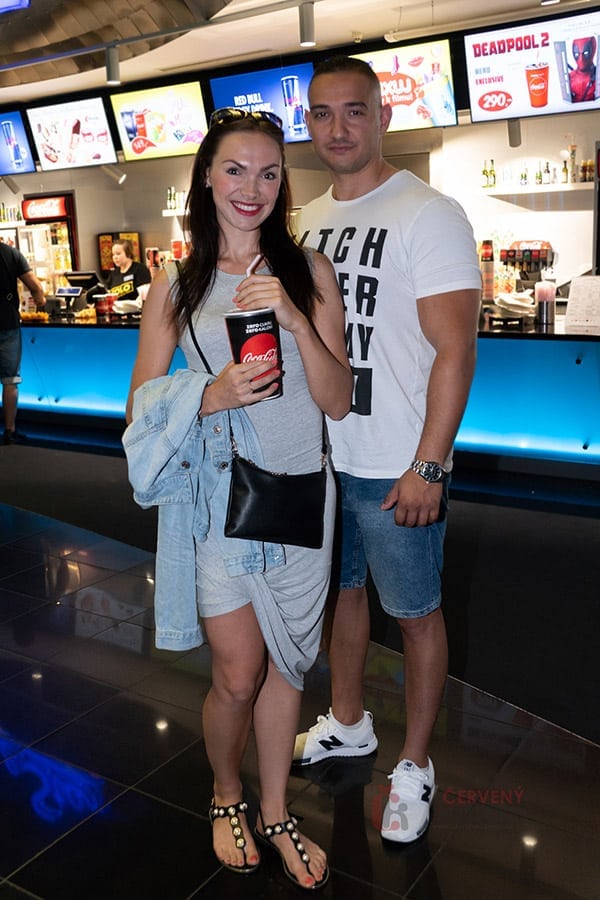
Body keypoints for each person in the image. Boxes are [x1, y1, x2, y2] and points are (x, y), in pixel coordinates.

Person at [123, 107, 351, 888]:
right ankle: (227, 794)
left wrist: (293, 317)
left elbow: (337, 400)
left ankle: (277, 811)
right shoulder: (176, 287)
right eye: (235, 169)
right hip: (223, 506)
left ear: (283, 183)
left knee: (289, 669)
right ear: (206, 178)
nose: (252, 187)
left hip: (302, 501)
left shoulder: (310, 273)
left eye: (269, 172)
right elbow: (139, 409)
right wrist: (209, 395)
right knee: (237, 674)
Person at [292, 56, 482, 844]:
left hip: (397, 463)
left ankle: (415, 764)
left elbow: (456, 349)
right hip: (322, 461)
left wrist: (429, 463)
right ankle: (348, 722)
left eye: (355, 111)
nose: (338, 128)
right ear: (309, 122)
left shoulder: (427, 212)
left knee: (415, 616)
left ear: (382, 117)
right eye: (323, 113)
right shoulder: (304, 219)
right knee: (343, 597)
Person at [0, 241, 45, 444]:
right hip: (7, 322)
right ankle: (10, 430)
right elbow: (35, 286)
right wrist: (40, 302)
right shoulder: (11, 253)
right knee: (10, 380)